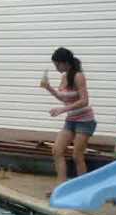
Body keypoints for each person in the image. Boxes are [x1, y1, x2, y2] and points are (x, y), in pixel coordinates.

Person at [40, 47, 97, 197]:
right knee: (57, 150)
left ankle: (83, 190)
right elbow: (63, 97)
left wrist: (62, 110)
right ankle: (61, 187)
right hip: (71, 120)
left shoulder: (78, 76)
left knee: (77, 155)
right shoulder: (64, 77)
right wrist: (48, 88)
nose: (56, 68)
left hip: (85, 121)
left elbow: (85, 101)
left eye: (57, 65)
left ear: (65, 63)